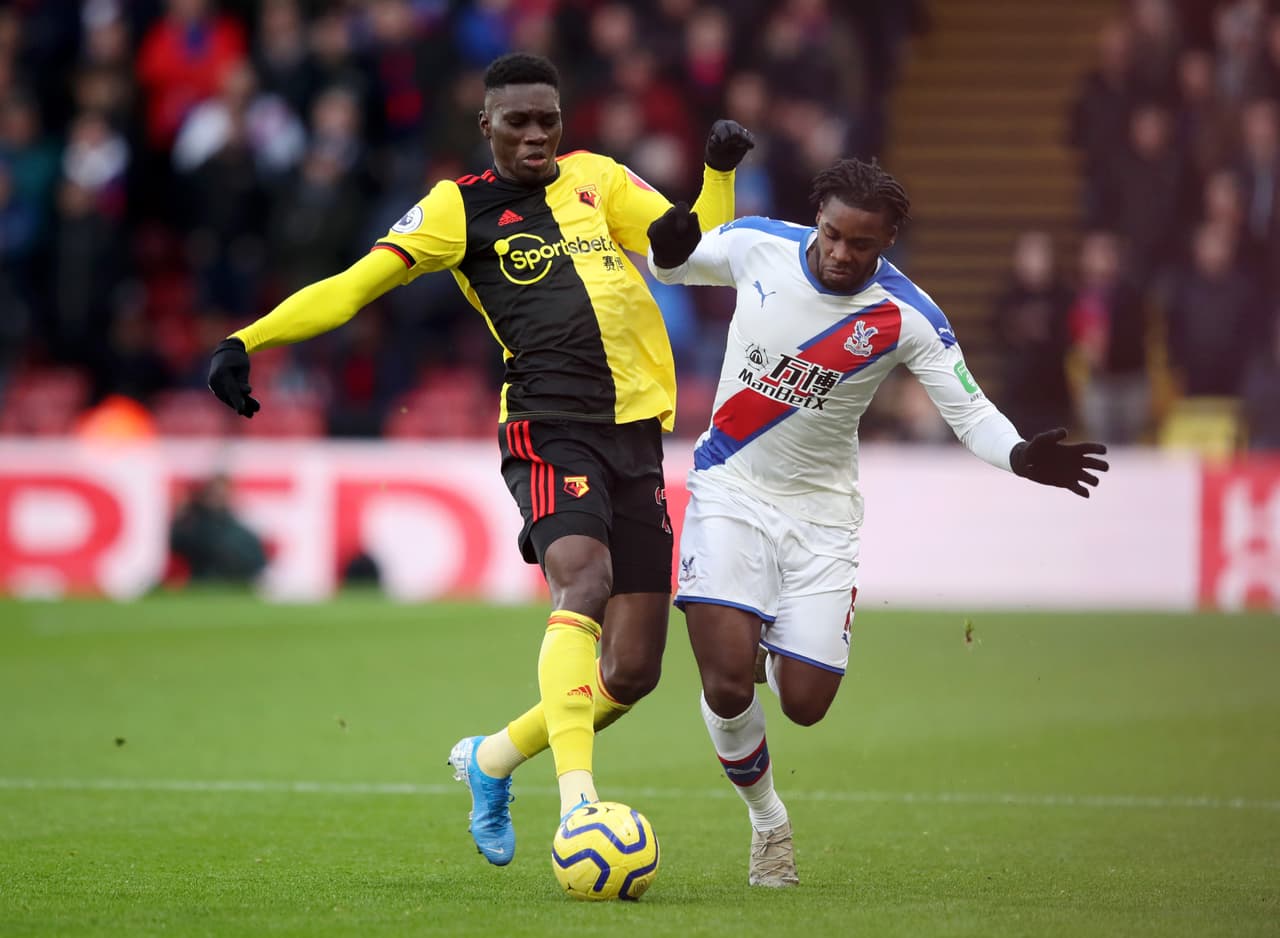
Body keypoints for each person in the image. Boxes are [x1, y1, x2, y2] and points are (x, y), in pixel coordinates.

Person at [205, 52, 755, 863]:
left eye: (549, 120)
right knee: (585, 580)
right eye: (519, 121)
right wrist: (247, 338)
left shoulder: (598, 176)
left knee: (633, 670)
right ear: (486, 123)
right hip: (546, 424)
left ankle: (491, 760)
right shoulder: (454, 211)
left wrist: (715, 175)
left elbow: (689, 254)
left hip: (636, 435)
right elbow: (354, 286)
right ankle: (579, 808)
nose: (536, 135)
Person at [644, 158, 1108, 886]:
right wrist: (668, 244)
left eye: (861, 245)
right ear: (817, 217)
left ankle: (750, 631)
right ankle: (769, 824)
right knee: (728, 685)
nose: (840, 253)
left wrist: (1019, 454)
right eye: (831, 235)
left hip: (823, 518)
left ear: (887, 241)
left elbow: (968, 409)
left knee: (804, 705)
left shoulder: (909, 316)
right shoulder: (759, 243)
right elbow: (676, 270)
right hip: (730, 487)